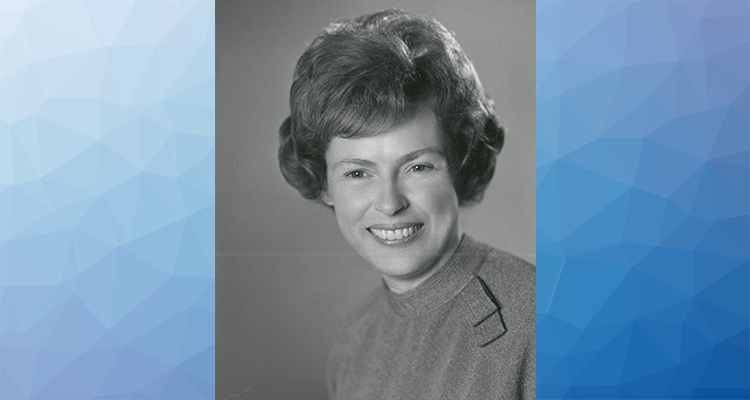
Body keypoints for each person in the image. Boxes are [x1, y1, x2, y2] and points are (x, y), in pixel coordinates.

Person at [277, 9, 534, 400]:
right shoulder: (353, 343)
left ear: (461, 164)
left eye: (418, 166)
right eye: (358, 173)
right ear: (325, 184)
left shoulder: (537, 320)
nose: (389, 203)